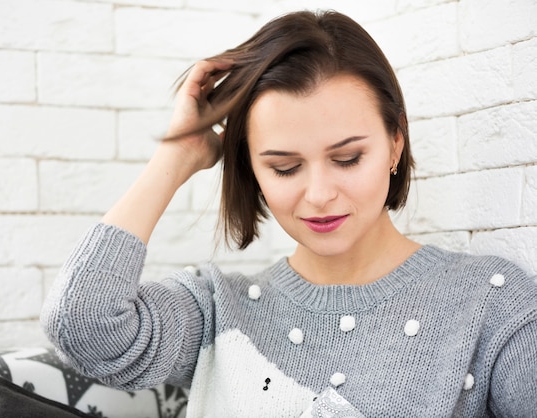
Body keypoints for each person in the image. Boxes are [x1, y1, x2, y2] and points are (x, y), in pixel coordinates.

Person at [41, 10, 537, 417]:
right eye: (284, 167)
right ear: (252, 170)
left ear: (395, 142)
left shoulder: (493, 308)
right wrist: (176, 157)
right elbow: (83, 326)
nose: (319, 194)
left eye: (347, 159)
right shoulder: (217, 311)